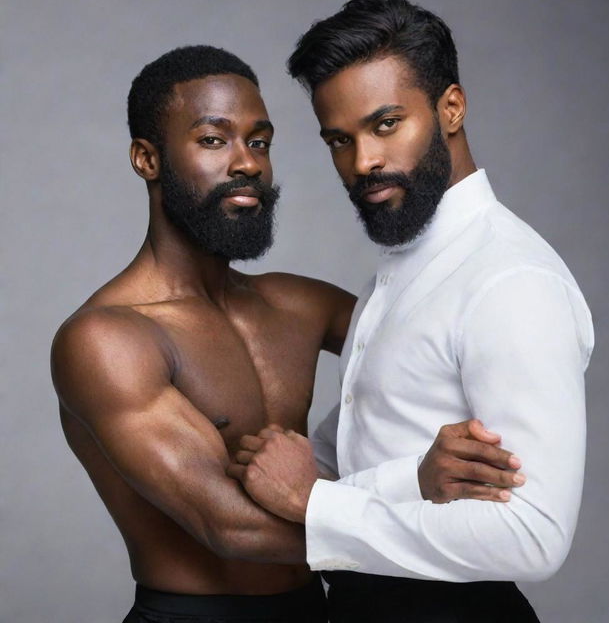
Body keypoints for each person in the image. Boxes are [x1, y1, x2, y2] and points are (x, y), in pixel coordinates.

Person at [50, 45, 521, 623]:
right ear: (147, 159)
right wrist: (421, 492)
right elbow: (229, 527)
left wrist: (519, 288)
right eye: (214, 140)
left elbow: (441, 349)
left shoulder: (300, 305)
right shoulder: (108, 339)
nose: (247, 163)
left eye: (260, 141)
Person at [229, 0, 594, 623]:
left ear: (450, 108)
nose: (363, 161)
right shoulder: (405, 265)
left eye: (386, 124)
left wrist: (315, 504)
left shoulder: (509, 281)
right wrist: (269, 464)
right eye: (339, 140)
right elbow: (377, 453)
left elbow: (534, 535)